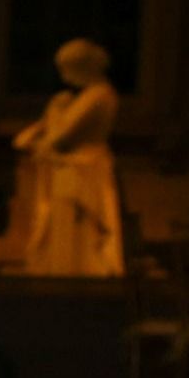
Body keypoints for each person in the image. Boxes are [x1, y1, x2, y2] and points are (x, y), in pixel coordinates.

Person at [12, 37, 124, 277]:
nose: (64, 77)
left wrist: (53, 114)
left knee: (79, 234)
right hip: (72, 170)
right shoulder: (85, 97)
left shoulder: (98, 96)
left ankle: (79, 276)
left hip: (84, 170)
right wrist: (51, 116)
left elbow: (60, 139)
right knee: (63, 232)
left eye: (67, 69)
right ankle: (65, 274)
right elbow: (26, 139)